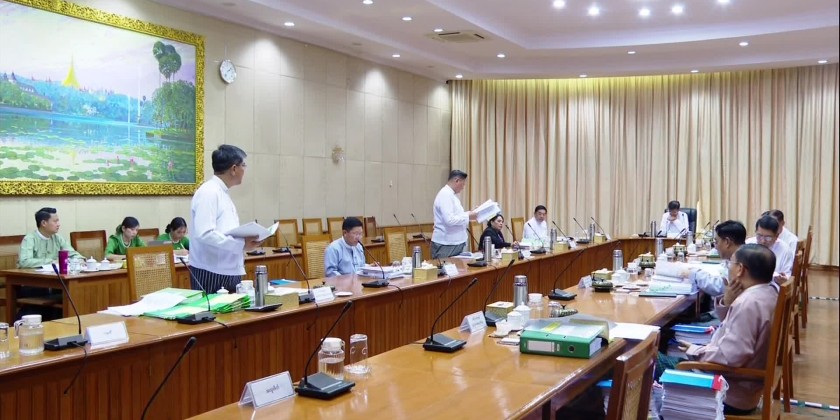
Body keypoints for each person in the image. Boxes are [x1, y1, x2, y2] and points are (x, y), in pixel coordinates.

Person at [677, 244, 780, 415]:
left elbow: (730, 356)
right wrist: (728, 302)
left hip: (727, 391)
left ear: (740, 269)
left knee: (656, 364)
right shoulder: (769, 293)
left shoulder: (748, 303)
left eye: (730, 263)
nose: (728, 268)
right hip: (746, 387)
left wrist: (696, 351)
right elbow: (737, 329)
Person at [189, 144, 261, 293]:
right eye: (243, 165)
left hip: (228, 269)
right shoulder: (209, 192)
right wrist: (240, 244)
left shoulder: (222, 192)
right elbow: (205, 233)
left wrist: (244, 241)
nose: (244, 170)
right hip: (211, 271)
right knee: (215, 309)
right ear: (234, 169)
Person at [685, 220, 747, 297]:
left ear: (727, 242)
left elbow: (720, 287)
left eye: (716, 242)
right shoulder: (739, 255)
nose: (716, 247)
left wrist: (694, 274)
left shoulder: (740, 263)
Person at [431, 170, 477, 259]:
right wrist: (468, 216)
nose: (463, 187)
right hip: (446, 244)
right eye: (463, 184)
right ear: (457, 181)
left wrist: (470, 213)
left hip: (454, 242)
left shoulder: (451, 195)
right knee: (446, 268)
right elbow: (449, 220)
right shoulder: (445, 195)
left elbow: (457, 215)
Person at [17, 207, 82, 268]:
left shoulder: (58, 238)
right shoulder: (30, 239)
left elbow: (74, 255)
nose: (58, 224)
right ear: (43, 223)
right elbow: (24, 262)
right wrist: (52, 262)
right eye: (55, 221)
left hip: (54, 274)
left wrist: (79, 260)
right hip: (33, 275)